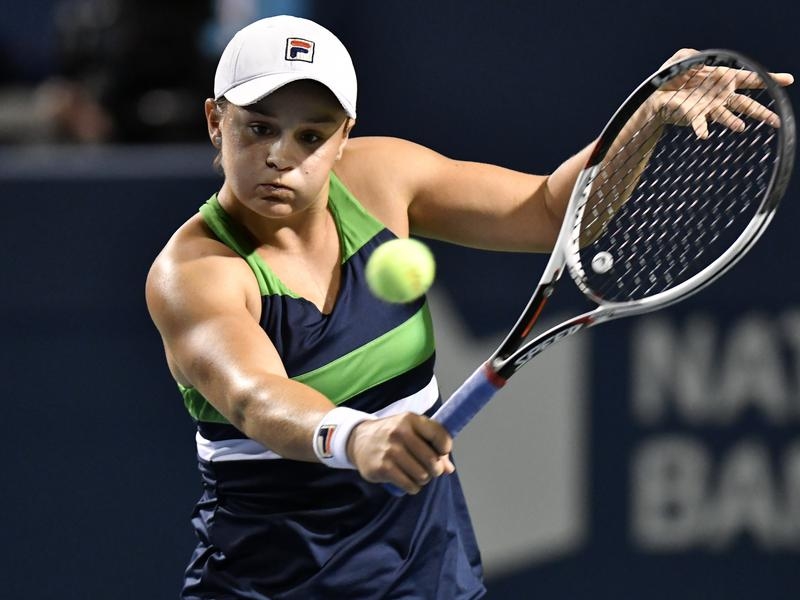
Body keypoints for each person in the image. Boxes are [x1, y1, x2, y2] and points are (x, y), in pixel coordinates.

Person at [145, 15, 792, 599]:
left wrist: (641, 122)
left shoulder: (383, 179)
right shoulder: (192, 273)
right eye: (258, 128)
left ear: (344, 138)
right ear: (216, 121)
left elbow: (552, 213)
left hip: (425, 573)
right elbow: (253, 398)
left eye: (311, 135)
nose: (281, 157)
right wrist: (357, 435)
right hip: (267, 583)